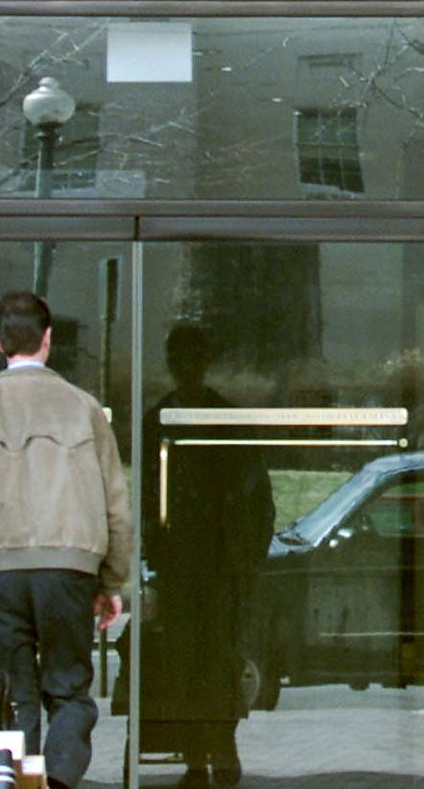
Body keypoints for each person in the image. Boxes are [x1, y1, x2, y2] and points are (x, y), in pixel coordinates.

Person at [0, 291, 131, 789]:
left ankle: (17, 780)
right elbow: (116, 503)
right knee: (69, 691)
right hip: (70, 568)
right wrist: (111, 581)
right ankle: (58, 779)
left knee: (12, 693)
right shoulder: (84, 409)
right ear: (48, 339)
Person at [141, 322, 273, 786]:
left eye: (192, 359)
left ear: (203, 362)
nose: (186, 369)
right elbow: (148, 496)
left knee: (218, 660)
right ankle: (199, 755)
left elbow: (256, 495)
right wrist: (153, 555)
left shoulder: (222, 418)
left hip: (219, 563)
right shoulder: (161, 419)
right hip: (181, 564)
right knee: (187, 663)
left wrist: (248, 557)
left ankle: (220, 746)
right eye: (179, 360)